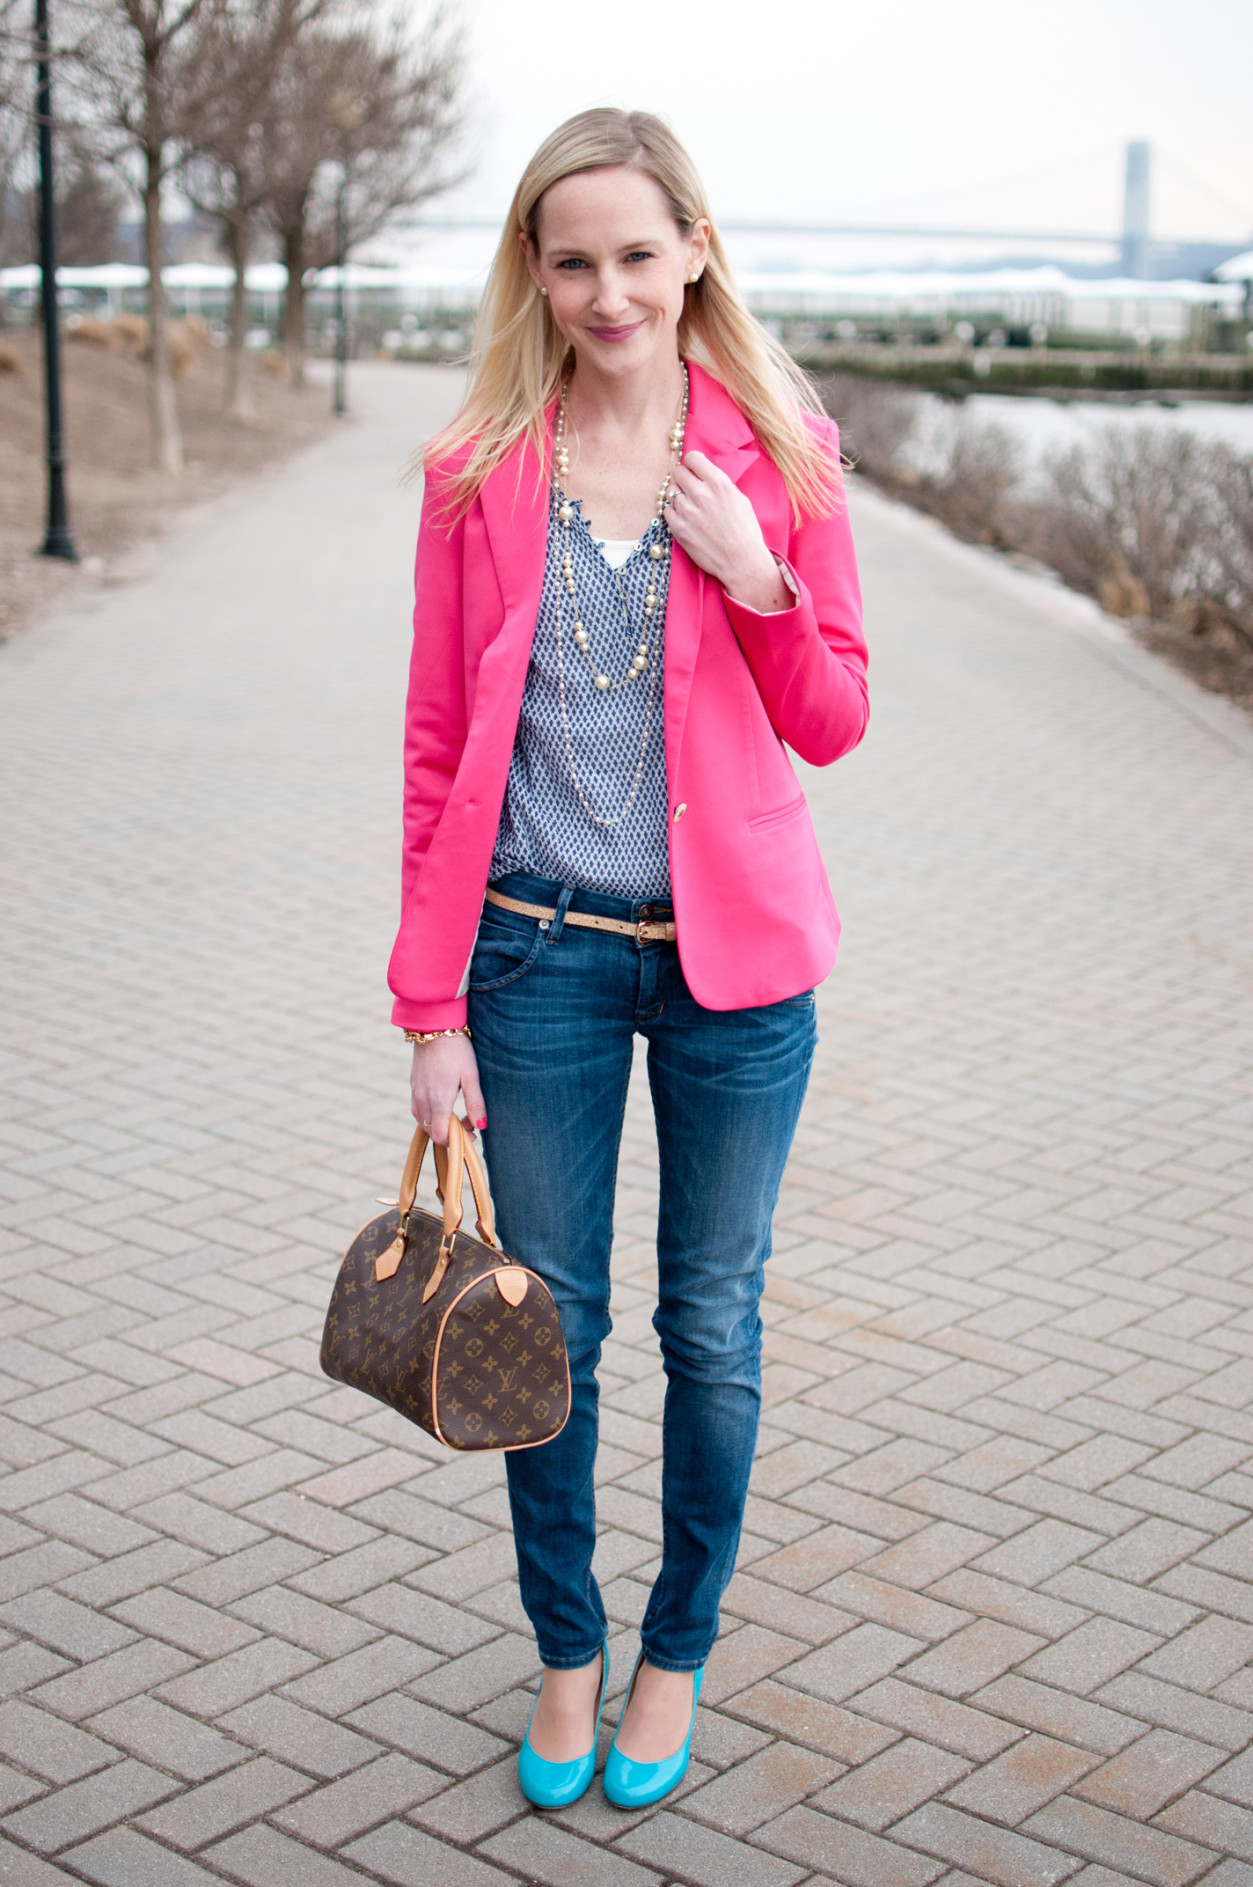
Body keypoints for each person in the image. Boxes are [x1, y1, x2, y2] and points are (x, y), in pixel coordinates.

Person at [389, 108, 868, 1812]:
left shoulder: (787, 457)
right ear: (535, 266)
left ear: (696, 255)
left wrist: (752, 575)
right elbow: (440, 742)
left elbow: (834, 718)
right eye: (571, 256)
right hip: (536, 966)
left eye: (637, 256)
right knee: (549, 1326)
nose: (608, 291)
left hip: (740, 978)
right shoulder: (477, 468)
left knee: (712, 1326)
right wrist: (426, 1005)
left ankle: (677, 1650)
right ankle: (566, 1646)